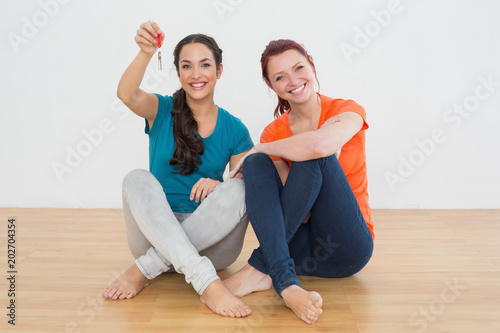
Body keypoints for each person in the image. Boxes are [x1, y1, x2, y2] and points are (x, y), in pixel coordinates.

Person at [102, 21, 254, 318]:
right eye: (187, 66)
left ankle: (146, 269)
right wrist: (146, 52)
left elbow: (248, 186)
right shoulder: (160, 109)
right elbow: (126, 94)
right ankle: (206, 283)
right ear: (178, 73)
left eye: (205, 65)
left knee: (240, 185)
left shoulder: (235, 129)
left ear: (219, 71)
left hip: (213, 246)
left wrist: (220, 185)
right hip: (153, 234)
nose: (196, 74)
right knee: (136, 178)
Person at [224, 39, 374, 324]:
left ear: (312, 65)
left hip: (347, 248)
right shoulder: (273, 133)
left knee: (316, 155)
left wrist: (260, 148)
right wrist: (259, 154)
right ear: (272, 86)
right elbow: (300, 214)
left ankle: (260, 268)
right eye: (280, 77)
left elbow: (318, 147)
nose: (293, 81)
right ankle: (286, 283)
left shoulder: (347, 110)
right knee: (256, 163)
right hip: (296, 252)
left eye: (298, 68)